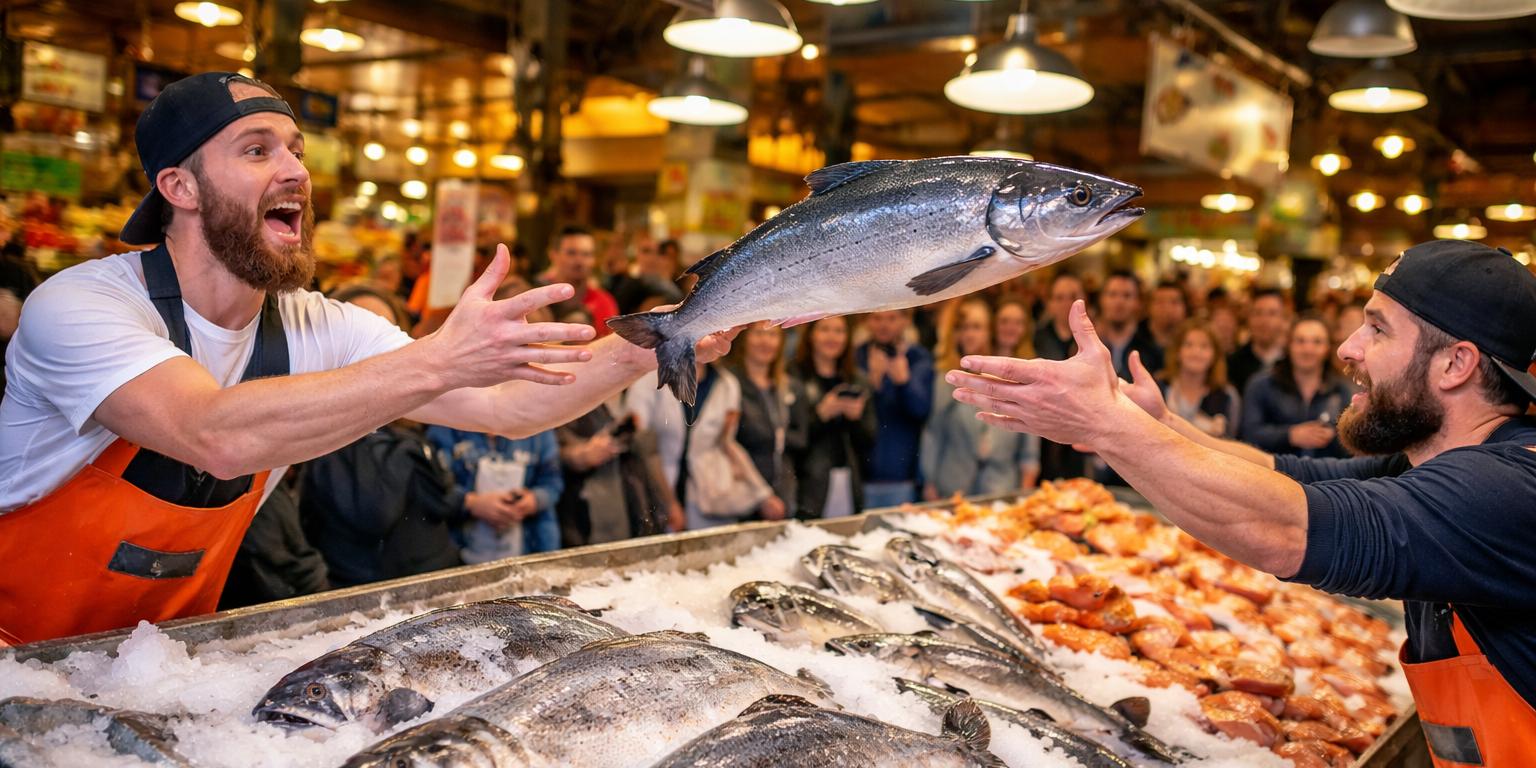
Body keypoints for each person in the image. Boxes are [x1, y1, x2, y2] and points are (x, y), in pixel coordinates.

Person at [0, 73, 733, 645]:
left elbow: (513, 412)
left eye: (295, 150)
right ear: (178, 187)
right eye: (257, 150)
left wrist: (661, 338)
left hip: (151, 663)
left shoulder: (318, 326)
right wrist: (439, 359)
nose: (294, 171)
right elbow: (211, 433)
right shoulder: (80, 306)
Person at [945, 240, 1536, 763]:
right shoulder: (1434, 458)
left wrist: (1107, 429)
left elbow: (1286, 526)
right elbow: (1289, 479)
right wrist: (1157, 423)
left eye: (1378, 329)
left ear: (1456, 363)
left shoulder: (1508, 490)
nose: (1348, 348)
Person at [923, 299, 1039, 499]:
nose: (969, 334)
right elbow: (934, 432)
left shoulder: (1012, 377)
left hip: (1001, 488)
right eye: (963, 327)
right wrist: (928, 480)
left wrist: (1024, 492)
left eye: (977, 327)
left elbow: (1029, 446)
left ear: (989, 332)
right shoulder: (947, 377)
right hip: (953, 486)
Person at [790, 316, 876, 519]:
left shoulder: (857, 378)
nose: (832, 337)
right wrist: (820, 415)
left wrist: (855, 419)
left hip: (848, 478)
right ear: (810, 335)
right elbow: (789, 440)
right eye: (825, 329)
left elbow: (869, 440)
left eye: (839, 331)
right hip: (805, 482)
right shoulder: (793, 376)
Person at [1240, 315, 1356, 458]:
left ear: (1327, 348)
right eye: (1300, 341)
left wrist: (1335, 437)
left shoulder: (1341, 390)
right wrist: (1289, 435)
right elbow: (1248, 435)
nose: (1308, 349)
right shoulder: (1261, 385)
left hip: (1325, 476)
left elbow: (1352, 449)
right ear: (1289, 345)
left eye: (1317, 342)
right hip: (1273, 473)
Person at [724, 321, 804, 519]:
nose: (765, 341)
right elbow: (726, 441)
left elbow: (801, 438)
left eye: (773, 335)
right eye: (759, 334)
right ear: (744, 339)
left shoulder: (787, 385)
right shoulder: (728, 384)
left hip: (782, 486)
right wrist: (761, 495)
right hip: (742, 489)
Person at [855, 309, 933, 509]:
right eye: (877, 317)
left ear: (905, 320)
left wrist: (903, 382)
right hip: (860, 472)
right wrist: (873, 383)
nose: (884, 325)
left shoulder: (918, 357)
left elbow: (921, 410)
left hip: (902, 474)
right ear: (867, 321)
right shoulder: (856, 356)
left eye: (892, 318)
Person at [1032, 272, 1090, 481]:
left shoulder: (1096, 340)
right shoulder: (1035, 339)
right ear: (1049, 303)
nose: (1066, 303)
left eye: (1073, 296)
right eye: (1059, 297)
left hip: (1082, 431)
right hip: (1043, 434)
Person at [1159, 320, 1240, 438]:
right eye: (1188, 345)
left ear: (1215, 355)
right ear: (1177, 352)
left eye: (1204, 346)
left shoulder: (1227, 395)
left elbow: (1231, 442)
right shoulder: (1161, 387)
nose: (1196, 352)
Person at [538, 225, 619, 336]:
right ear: (553, 254)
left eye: (587, 254)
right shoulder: (538, 296)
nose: (579, 261)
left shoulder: (604, 302)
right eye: (571, 253)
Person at [1096, 270, 1163, 380]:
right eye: (1112, 294)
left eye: (1127, 295)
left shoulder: (1151, 350)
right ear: (1102, 299)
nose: (1119, 302)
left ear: (1138, 302)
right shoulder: (1088, 345)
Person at [1227, 288, 1291, 391]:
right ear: (1249, 318)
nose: (1264, 321)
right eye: (1258, 313)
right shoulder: (1232, 364)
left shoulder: (1293, 362)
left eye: (1272, 313)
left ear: (1283, 319)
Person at [610, 233, 683, 315]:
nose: (652, 257)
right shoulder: (624, 283)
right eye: (646, 251)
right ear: (636, 253)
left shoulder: (675, 282)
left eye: (657, 252)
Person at [1146, 279, 1188, 355]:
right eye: (1160, 302)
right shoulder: (1132, 339)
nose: (1167, 308)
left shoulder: (1193, 339)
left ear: (1185, 307)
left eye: (1174, 302)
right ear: (1149, 306)